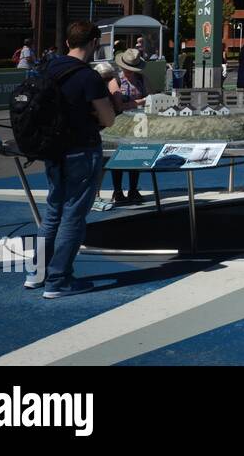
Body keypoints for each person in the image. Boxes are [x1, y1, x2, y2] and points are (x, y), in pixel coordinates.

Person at [26, 21, 116, 297]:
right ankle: (59, 279)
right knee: (73, 216)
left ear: (67, 43)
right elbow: (108, 118)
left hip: (53, 150)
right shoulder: (87, 77)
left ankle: (37, 273)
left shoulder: (47, 69)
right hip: (81, 149)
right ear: (94, 43)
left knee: (53, 213)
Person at [108, 49, 149, 205]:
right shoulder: (115, 81)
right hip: (119, 124)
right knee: (117, 156)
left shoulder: (142, 79)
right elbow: (119, 106)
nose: (130, 72)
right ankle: (117, 191)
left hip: (138, 123)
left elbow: (151, 97)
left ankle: (133, 189)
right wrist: (140, 101)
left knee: (136, 156)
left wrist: (142, 101)